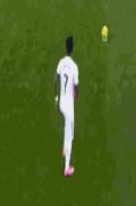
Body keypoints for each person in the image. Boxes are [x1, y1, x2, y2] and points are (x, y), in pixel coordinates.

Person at [55, 36, 79, 177]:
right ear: (73, 48)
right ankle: (67, 167)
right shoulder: (74, 66)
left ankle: (64, 149)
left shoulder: (61, 62)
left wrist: (56, 97)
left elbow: (56, 77)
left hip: (61, 103)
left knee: (66, 125)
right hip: (69, 105)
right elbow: (76, 87)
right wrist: (76, 94)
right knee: (70, 134)